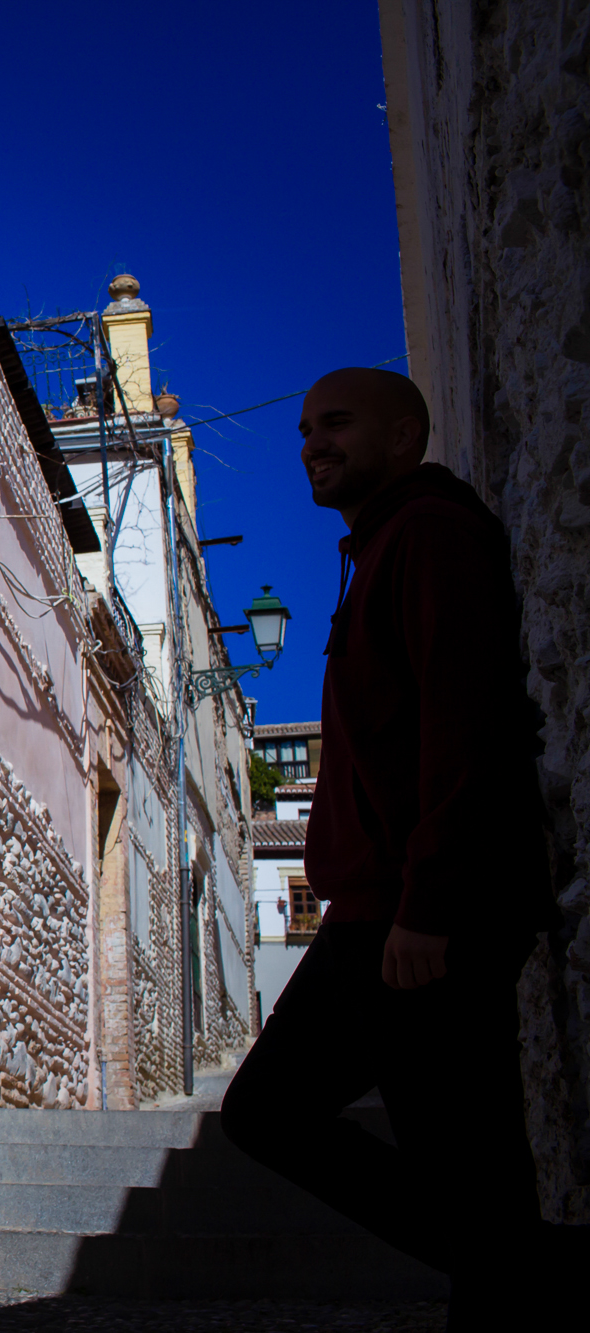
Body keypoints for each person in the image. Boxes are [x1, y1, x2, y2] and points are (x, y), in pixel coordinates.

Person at [218, 367, 560, 1325]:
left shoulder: (430, 538)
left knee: (278, 1115)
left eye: (336, 424)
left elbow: (468, 725)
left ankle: (525, 1265)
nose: (311, 444)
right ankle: (515, 1266)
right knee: (468, 1170)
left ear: (405, 435)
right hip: (396, 915)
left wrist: (428, 904)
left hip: (413, 922)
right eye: (303, 429)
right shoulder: (383, 548)